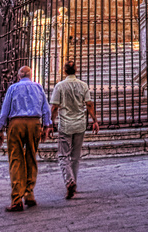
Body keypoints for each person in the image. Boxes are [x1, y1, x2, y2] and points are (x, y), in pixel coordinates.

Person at [0, 66, 52, 212]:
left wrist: (0, 129)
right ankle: (29, 193)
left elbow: (5, 110)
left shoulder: (13, 88)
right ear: (31, 75)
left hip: (16, 123)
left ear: (18, 75)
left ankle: (16, 199)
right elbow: (46, 108)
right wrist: (46, 126)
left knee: (16, 159)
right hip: (34, 123)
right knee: (31, 157)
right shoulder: (38, 88)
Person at [50, 62, 99, 199]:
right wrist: (95, 121)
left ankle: (69, 181)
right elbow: (89, 104)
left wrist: (50, 124)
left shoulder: (60, 86)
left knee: (63, 155)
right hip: (80, 124)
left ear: (64, 71)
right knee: (75, 156)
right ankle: (74, 182)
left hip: (65, 125)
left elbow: (54, 107)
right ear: (76, 70)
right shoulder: (83, 85)